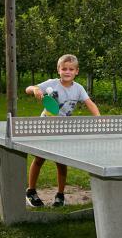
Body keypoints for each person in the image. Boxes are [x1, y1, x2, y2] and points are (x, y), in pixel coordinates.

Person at [25, 54, 100, 207]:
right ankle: (31, 191)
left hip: (63, 129)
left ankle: (60, 195)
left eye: (71, 69)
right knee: (39, 158)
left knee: (61, 161)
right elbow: (28, 89)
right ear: (58, 70)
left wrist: (98, 118)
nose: (67, 72)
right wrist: (35, 90)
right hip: (45, 127)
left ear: (76, 71)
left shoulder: (78, 88)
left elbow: (89, 103)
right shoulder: (52, 83)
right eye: (64, 69)